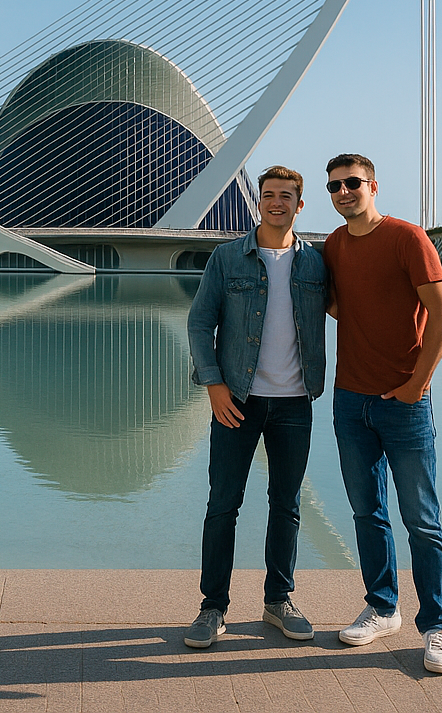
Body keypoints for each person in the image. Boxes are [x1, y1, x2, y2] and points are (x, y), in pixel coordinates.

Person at [182, 165, 329, 648]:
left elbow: (361, 307)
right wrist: (214, 386)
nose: (277, 203)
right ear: (257, 201)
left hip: (294, 404)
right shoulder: (227, 259)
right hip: (237, 401)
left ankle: (278, 600)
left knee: (286, 506)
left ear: (300, 205)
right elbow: (200, 324)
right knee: (223, 505)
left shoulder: (317, 264)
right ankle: (212, 607)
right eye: (269, 195)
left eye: (287, 196)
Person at [321, 153, 442, 674]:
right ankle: (382, 607)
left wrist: (415, 385)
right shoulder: (334, 244)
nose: (344, 192)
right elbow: (338, 302)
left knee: (422, 520)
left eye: (352, 183)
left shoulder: (407, 238)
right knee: (366, 512)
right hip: (350, 401)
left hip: (404, 403)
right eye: (335, 187)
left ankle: (437, 628)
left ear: (373, 186)